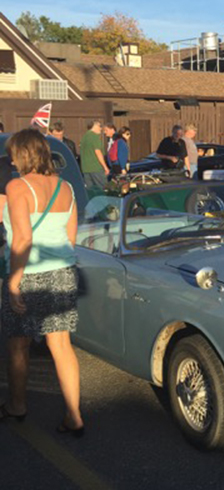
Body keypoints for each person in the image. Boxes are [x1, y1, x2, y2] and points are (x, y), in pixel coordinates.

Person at [0, 130, 83, 435]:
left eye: (13, 154)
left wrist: (14, 282)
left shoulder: (18, 187)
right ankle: (74, 415)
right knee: (61, 344)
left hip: (31, 274)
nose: (10, 159)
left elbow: (23, 239)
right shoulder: (65, 188)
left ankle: (17, 406)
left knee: (18, 344)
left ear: (23, 155)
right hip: (64, 271)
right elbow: (71, 238)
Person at [79, 120, 109, 189]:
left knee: (91, 191)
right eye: (99, 126)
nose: (101, 129)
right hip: (96, 168)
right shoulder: (94, 137)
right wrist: (105, 167)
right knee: (103, 189)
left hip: (86, 169)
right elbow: (98, 152)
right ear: (94, 126)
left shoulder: (84, 137)